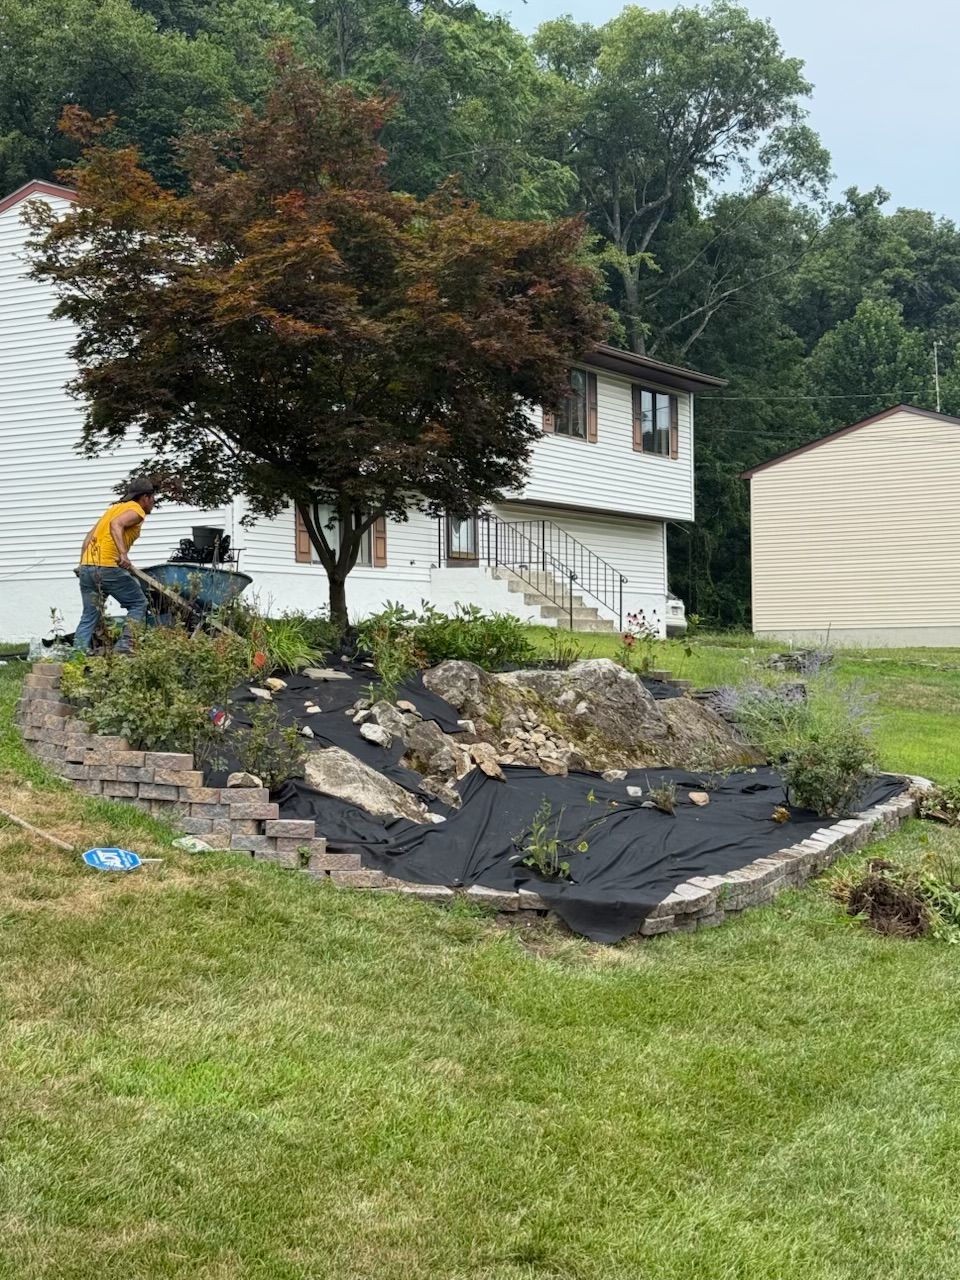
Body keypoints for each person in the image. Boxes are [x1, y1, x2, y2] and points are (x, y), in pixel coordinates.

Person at [74, 479, 157, 653]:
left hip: (88, 566)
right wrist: (123, 554)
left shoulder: (112, 509)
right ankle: (124, 649)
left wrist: (82, 563)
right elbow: (116, 524)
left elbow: (89, 536)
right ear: (145, 497)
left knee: (90, 613)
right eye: (153, 498)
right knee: (138, 603)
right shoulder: (136, 510)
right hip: (107, 567)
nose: (153, 502)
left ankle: (76, 658)